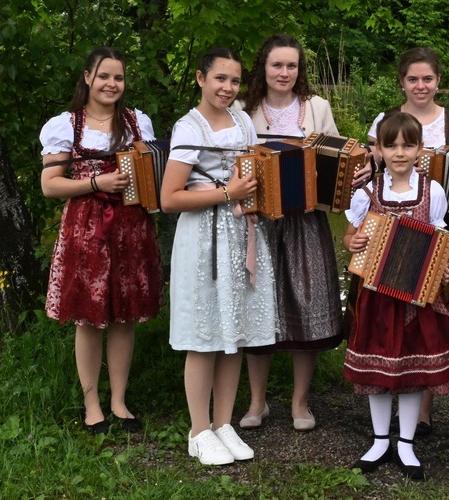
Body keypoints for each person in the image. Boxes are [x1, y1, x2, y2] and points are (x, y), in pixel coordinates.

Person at [159, 48, 276, 466]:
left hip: (243, 234)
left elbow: (253, 171)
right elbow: (169, 198)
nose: (227, 88)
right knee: (204, 335)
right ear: (200, 79)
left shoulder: (244, 119)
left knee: (235, 333)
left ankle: (224, 423)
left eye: (234, 81)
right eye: (220, 79)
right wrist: (229, 193)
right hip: (203, 240)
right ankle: (198, 429)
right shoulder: (188, 127)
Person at [39, 47, 162, 435]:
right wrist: (96, 182)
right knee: (89, 319)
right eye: (104, 76)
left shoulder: (137, 123)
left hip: (131, 226)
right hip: (86, 227)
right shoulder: (67, 125)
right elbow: (49, 185)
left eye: (119, 78)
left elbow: (151, 174)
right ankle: (92, 404)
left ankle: (119, 401)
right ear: (88, 77)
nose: (112, 84)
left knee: (125, 317)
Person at [234, 33, 343, 432]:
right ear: (263, 68)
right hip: (259, 222)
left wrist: (352, 172)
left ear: (300, 70)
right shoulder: (243, 110)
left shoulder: (317, 107)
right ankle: (257, 401)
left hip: (306, 220)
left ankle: (300, 401)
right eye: (277, 65)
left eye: (291, 65)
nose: (284, 72)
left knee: (306, 304)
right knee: (259, 305)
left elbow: (333, 159)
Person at [366, 46, 449, 437]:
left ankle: (422, 410)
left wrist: (442, 173)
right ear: (402, 81)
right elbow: (371, 168)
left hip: (438, 221)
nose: (420, 85)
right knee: (389, 312)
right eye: (413, 78)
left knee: (431, 312)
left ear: (438, 81)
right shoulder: (387, 120)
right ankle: (386, 386)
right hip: (392, 227)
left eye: (427, 78)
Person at [343, 112, 449, 481]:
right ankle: (379, 440)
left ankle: (406, 443)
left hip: (418, 299)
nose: (399, 152)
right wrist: (354, 242)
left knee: (412, 369)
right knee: (378, 369)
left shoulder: (433, 191)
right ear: (377, 149)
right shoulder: (366, 193)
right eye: (390, 145)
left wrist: (446, 268)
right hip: (376, 296)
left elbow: (441, 243)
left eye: (408, 145)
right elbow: (349, 239)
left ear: (420, 149)